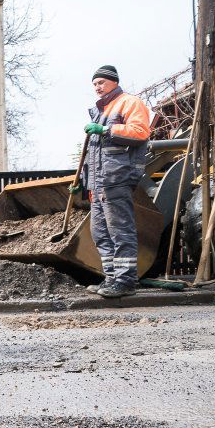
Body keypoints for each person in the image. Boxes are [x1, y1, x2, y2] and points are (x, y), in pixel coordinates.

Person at [76, 65, 152, 298]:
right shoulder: (101, 110)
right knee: (100, 232)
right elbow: (95, 154)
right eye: (95, 84)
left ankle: (126, 281)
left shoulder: (129, 102)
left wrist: (106, 129)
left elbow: (140, 132)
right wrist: (82, 179)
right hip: (99, 183)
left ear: (114, 82)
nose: (98, 87)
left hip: (116, 178)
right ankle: (111, 279)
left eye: (101, 83)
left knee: (120, 231)